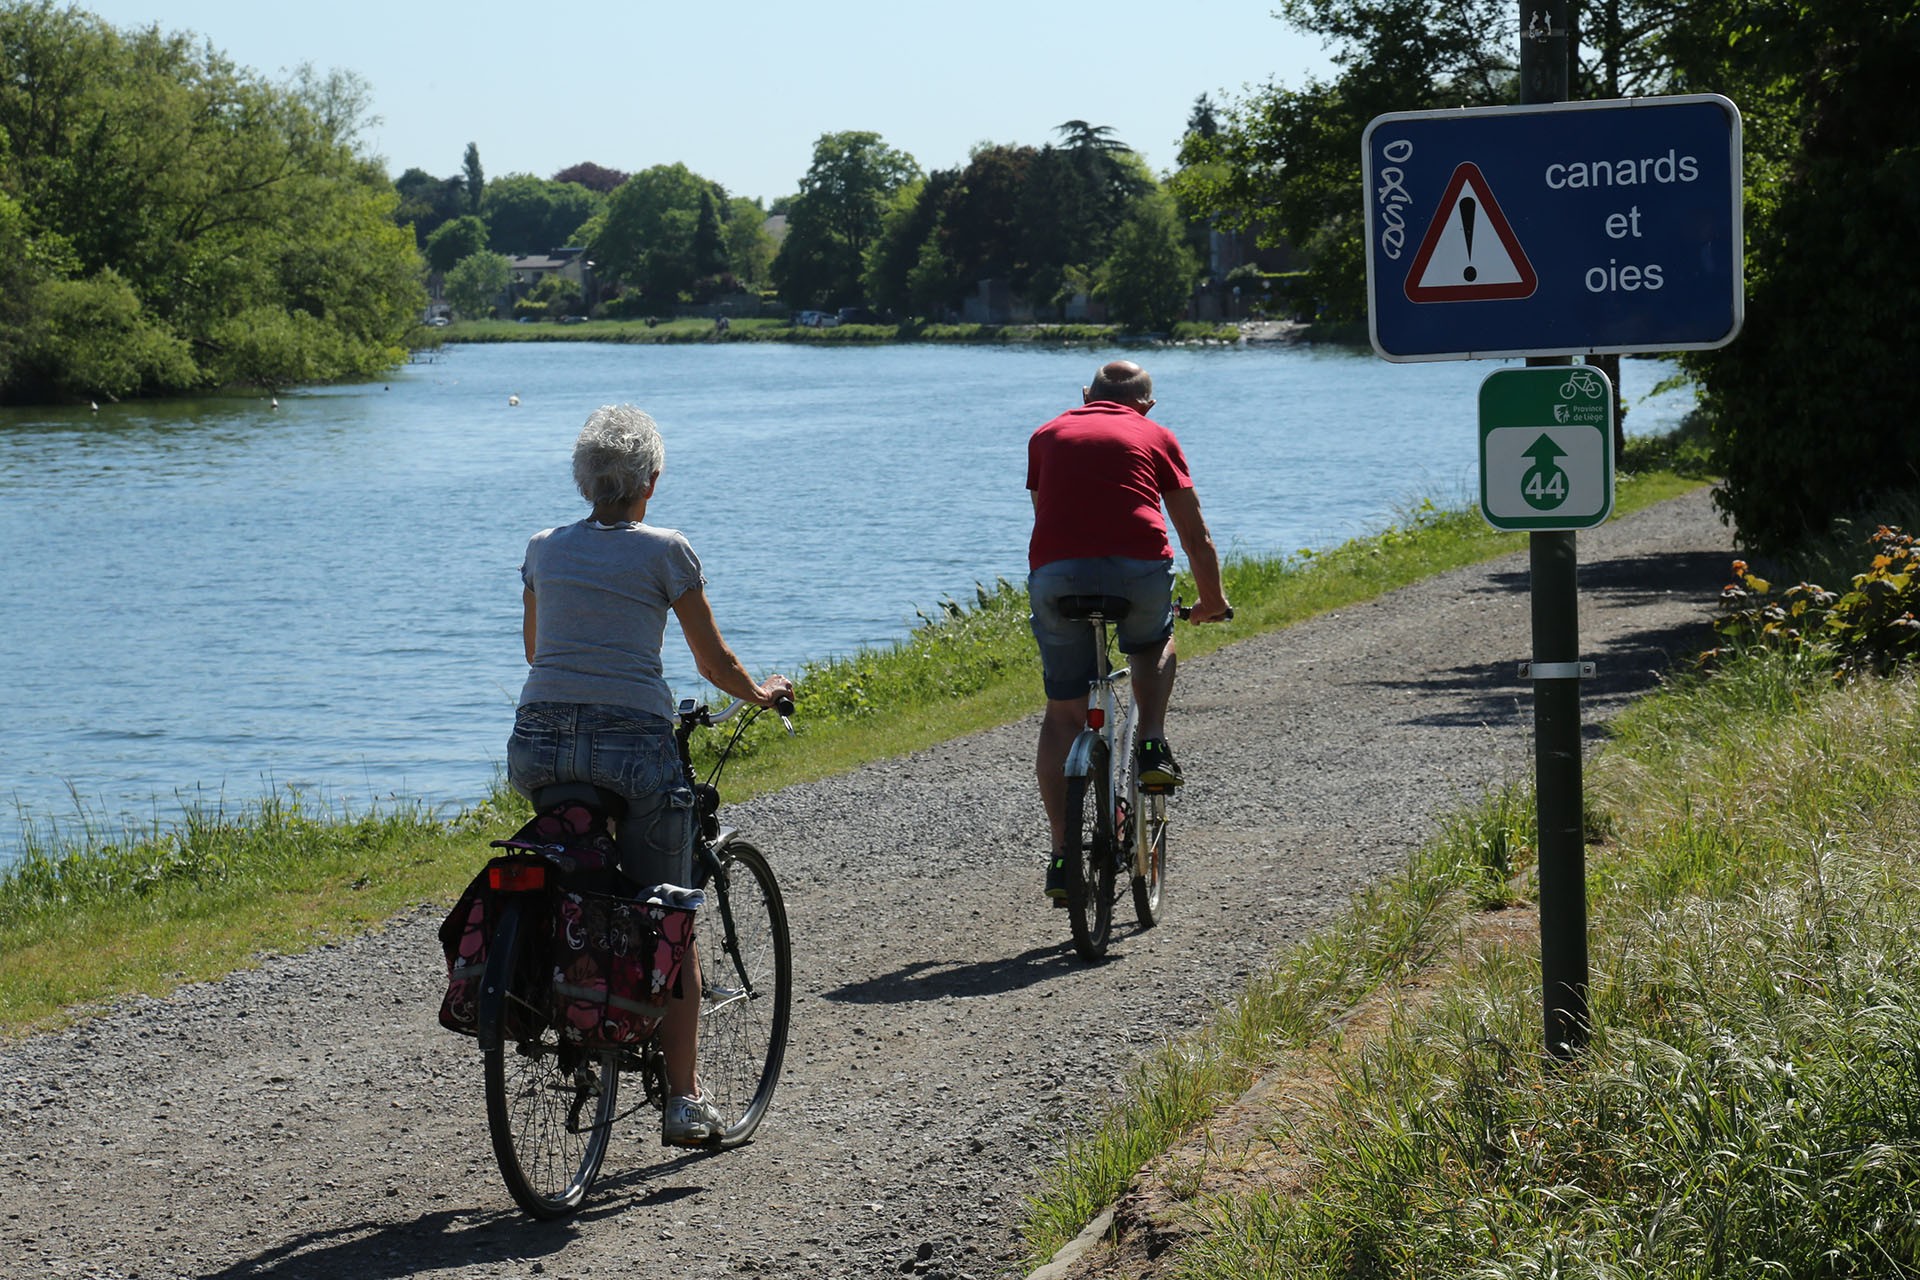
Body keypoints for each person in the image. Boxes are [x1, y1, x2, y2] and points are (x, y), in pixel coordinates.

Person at [507, 404, 792, 1146]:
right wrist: (760, 693)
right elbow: (712, 663)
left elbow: (538, 652)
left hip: (537, 744)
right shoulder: (667, 552)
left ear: (583, 481)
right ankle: (685, 1101)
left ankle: (567, 999)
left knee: (573, 872)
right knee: (671, 910)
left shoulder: (542, 548)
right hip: (632, 745)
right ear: (651, 483)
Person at [1026, 360, 1230, 903]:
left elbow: (1046, 514)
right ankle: (1152, 745)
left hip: (1056, 578)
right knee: (1155, 639)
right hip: (1137, 571)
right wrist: (1212, 601)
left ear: (1085, 394)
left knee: (1063, 713)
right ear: (1148, 403)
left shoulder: (1046, 435)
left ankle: (1062, 853)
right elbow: (1195, 534)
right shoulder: (1156, 434)